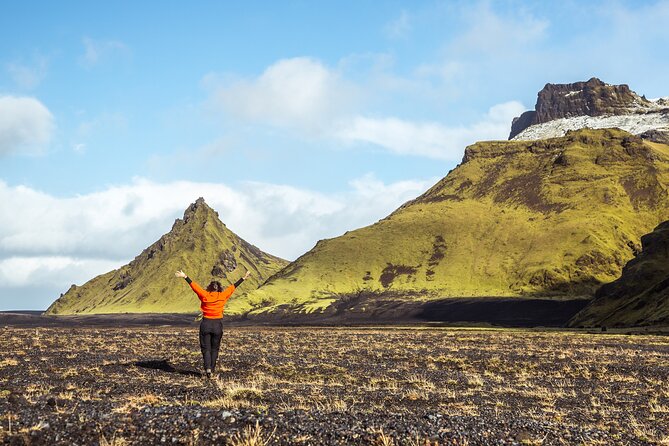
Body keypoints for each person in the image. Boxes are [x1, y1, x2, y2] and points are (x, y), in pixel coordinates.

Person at [175, 268, 251, 379]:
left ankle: (208, 369)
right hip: (217, 325)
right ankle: (212, 369)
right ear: (219, 288)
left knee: (206, 348)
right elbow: (233, 287)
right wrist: (244, 277)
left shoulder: (204, 295)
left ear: (209, 288)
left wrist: (185, 276)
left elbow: (194, 287)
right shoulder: (223, 295)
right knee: (215, 348)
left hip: (206, 323)